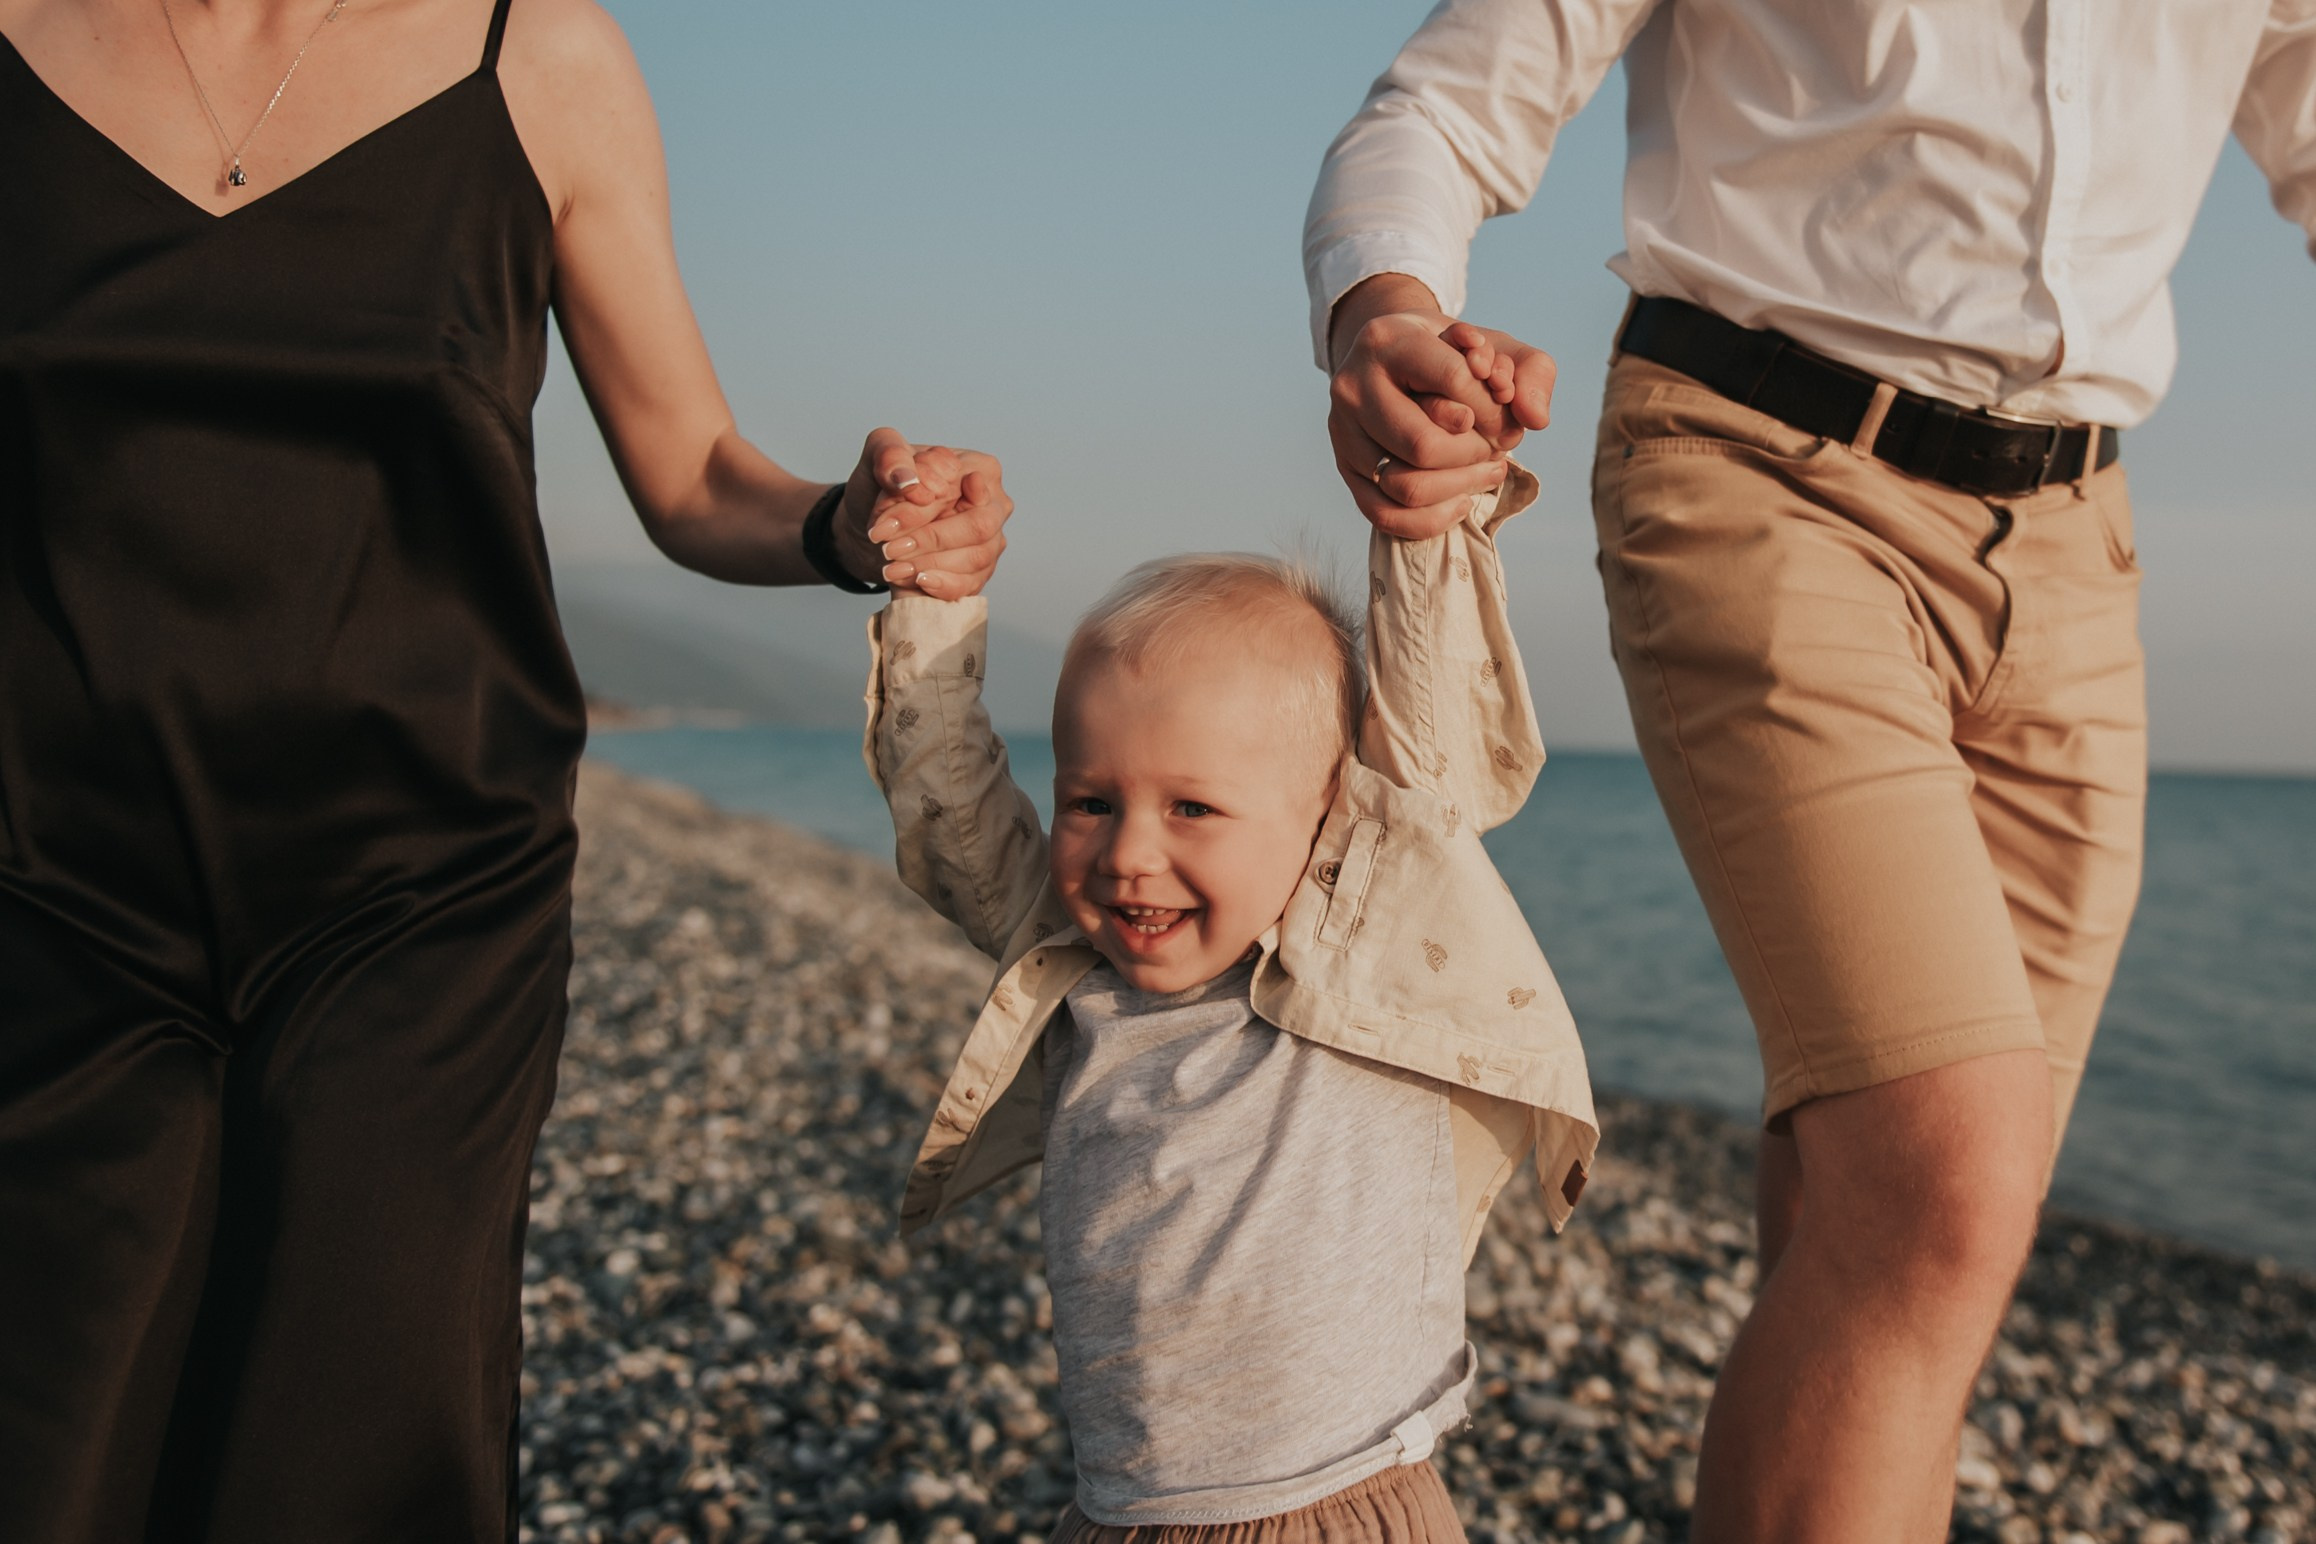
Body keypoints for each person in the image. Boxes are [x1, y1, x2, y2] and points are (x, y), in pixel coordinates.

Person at [1303, 1, 2316, 1539]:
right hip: (1759, 471)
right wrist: (1385, 314)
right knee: (1943, 1193)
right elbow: (1442, 109)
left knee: (1895, 1230)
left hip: (2076, 547)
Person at [0, 0, 1009, 1537]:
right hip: (49, 894)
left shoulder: (536, 57)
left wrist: (844, 521)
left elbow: (687, 473)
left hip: (413, 897)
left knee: (343, 1461)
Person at [861, 451, 1598, 1538]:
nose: (1129, 855)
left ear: (1327, 815)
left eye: (1194, 808)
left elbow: (1432, 732)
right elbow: (948, 806)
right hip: (1127, 1512)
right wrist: (934, 597)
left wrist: (1430, 517)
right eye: (1092, 801)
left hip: (1339, 1501)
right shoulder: (1073, 959)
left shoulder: (1357, 949)